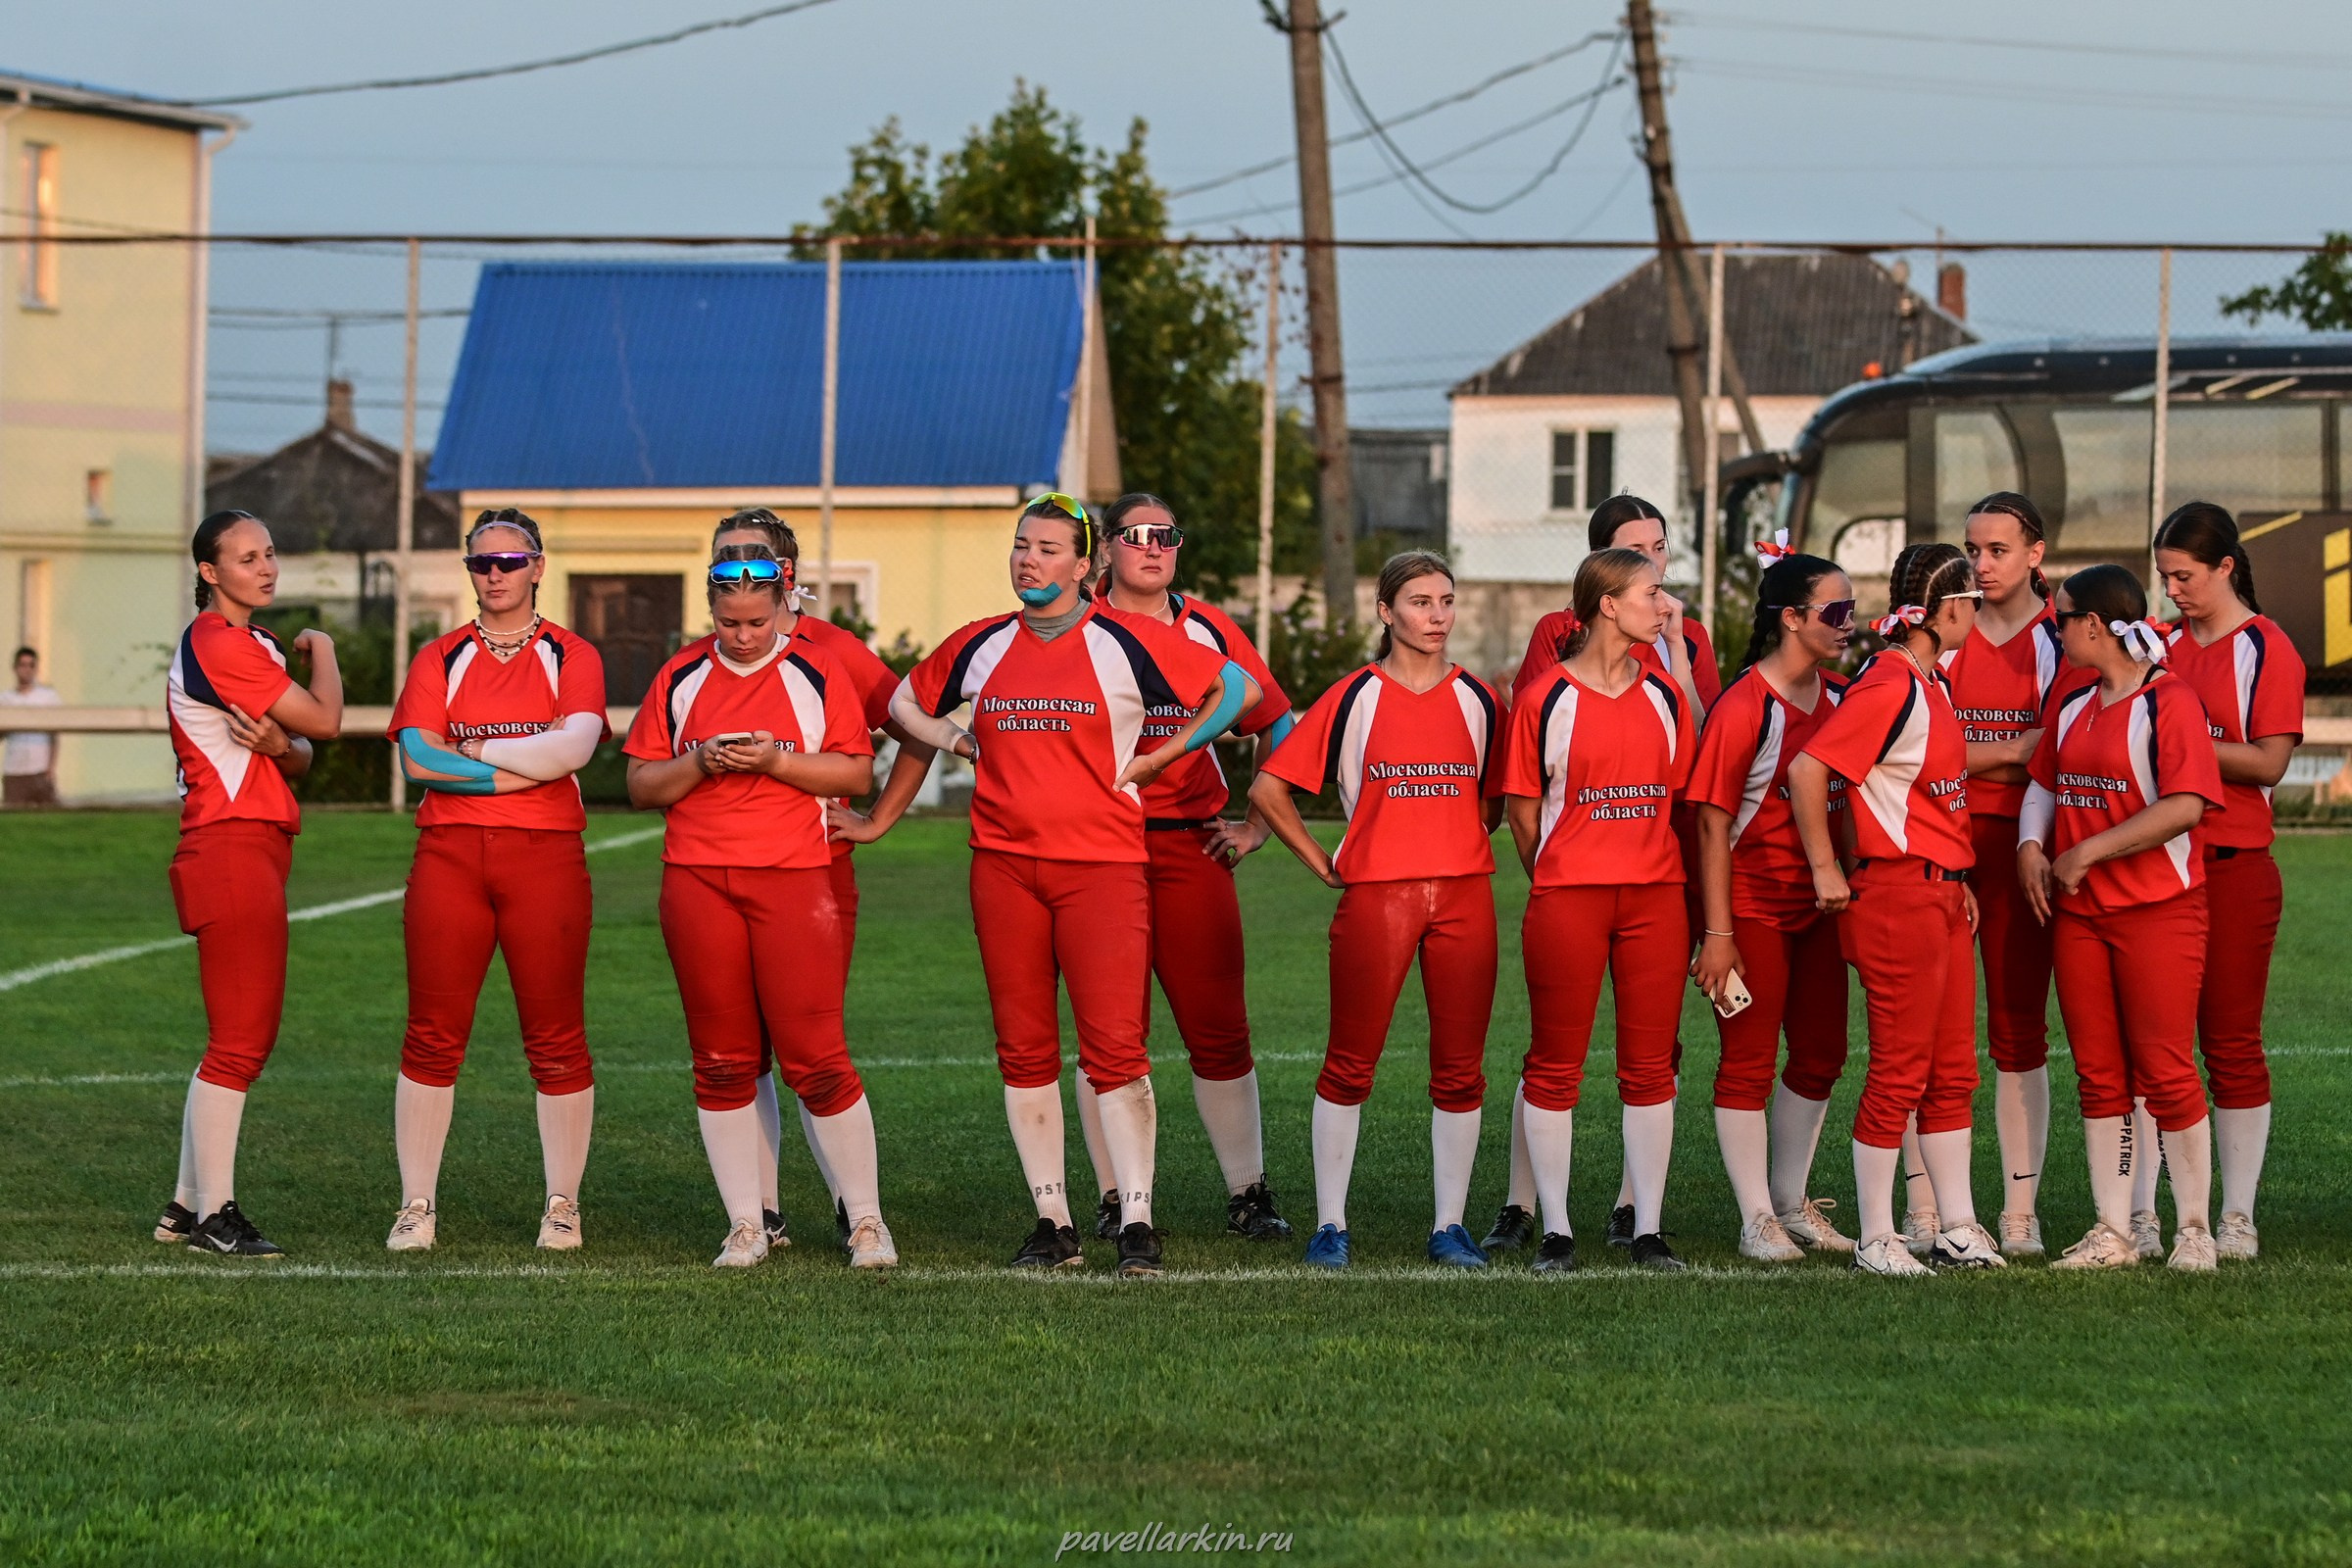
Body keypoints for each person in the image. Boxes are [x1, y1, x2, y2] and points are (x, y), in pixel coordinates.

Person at [837, 494, 1253, 1278]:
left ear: (1086, 564)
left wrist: (1163, 759)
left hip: (1102, 872)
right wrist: (957, 736)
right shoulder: (984, 643)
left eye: (1050, 548)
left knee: (1116, 1050)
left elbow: (1232, 692)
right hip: (1003, 869)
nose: (1030, 559)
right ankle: (1052, 1220)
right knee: (1024, 1050)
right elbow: (901, 702)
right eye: (1022, 545)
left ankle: (1136, 1221)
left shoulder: (1127, 640)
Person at [623, 554, 897, 1269]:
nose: (741, 636)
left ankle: (867, 1221)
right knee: (721, 1062)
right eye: (726, 622)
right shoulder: (680, 675)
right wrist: (703, 762)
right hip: (696, 882)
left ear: (782, 607)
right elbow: (643, 785)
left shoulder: (815, 671)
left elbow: (855, 770)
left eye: (755, 622)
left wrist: (776, 762)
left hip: (793, 879)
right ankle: (747, 1224)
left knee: (817, 1059)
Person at [1250, 551, 1504, 1271]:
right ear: (1385, 611)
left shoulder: (1480, 700)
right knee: (1349, 1065)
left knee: (1460, 1070)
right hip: (1377, 899)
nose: (1437, 616)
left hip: (1464, 896)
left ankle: (1448, 1226)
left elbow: (1496, 801)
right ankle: (1331, 1224)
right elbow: (1269, 790)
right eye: (1420, 602)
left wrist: (1451, 841)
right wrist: (1324, 862)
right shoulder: (1352, 697)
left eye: (1447, 601)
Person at [381, 508, 609, 1252]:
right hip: (448, 857)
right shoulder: (438, 656)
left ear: (538, 566)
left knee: (556, 1037)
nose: (496, 575)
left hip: (545, 859)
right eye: (483, 563)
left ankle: (562, 1205)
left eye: (511, 562)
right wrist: (516, 769)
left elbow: (573, 749)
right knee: (431, 1034)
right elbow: (420, 761)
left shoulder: (573, 654)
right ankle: (417, 1205)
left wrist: (472, 758)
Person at [1494, 492, 1715, 1250]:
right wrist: (1560, 873)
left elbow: (1687, 797)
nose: (1664, 598)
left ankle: (1645, 1227)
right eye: (1650, 591)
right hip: (1569, 901)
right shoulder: (1544, 698)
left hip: (1655, 901)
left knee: (1650, 1068)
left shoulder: (1663, 694)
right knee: (1554, 1065)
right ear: (1609, 607)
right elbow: (1524, 814)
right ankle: (1554, 1227)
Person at [710, 508, 934, 1253]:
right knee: (740, 1049)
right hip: (720, 875)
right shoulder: (699, 658)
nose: (740, 574)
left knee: (810, 1042)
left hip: (813, 873)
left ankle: (854, 1205)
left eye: (756, 561)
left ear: (789, 576)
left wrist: (875, 819)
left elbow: (916, 727)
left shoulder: (832, 651)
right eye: (725, 562)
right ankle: (761, 1212)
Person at [1788, 541, 2003, 1276]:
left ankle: (1956, 1227)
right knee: (1901, 1070)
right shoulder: (1891, 683)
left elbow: (1918, 794)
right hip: (1898, 898)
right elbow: (1809, 768)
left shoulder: (1927, 679)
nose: (1977, 614)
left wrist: (1957, 874)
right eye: (1971, 602)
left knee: (1951, 1072)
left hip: (1938, 892)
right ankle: (1879, 1237)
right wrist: (1828, 867)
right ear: (1947, 610)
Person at [1089, 492, 1295, 1243]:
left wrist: (1258, 822)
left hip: (1188, 841)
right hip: (1097, 847)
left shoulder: (1207, 624)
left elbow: (1277, 718)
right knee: (1111, 1032)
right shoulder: (1076, 625)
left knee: (1218, 1027)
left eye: (1165, 535)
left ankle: (1248, 1191)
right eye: (1135, 535)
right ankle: (1117, 1197)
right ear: (1105, 546)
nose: (1152, 547)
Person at [2017, 565, 2225, 1271]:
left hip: (2158, 911)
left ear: (2096, 625)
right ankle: (2115, 1229)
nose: (2054, 630)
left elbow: (2186, 805)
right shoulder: (2075, 697)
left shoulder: (2169, 701)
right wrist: (2030, 845)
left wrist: (2088, 853)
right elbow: (2046, 780)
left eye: (2061, 619)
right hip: (2082, 915)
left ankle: (2194, 1226)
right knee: (2100, 1075)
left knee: (2165, 1069)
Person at [152, 511, 343, 1256]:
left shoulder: (248, 643)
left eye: (270, 552)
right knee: (241, 1040)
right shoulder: (218, 641)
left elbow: (295, 756)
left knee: (232, 1039)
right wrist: (323, 647)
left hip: (248, 845)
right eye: (246, 558)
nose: (265, 568)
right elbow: (324, 723)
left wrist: (280, 743)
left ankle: (184, 1206)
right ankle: (215, 1218)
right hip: (228, 848)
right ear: (210, 573)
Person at [1685, 539, 1856, 1261]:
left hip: (1822, 912)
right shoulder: (1746, 705)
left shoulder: (1846, 697)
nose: (1849, 622)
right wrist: (1717, 935)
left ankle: (1790, 1200)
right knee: (1749, 1062)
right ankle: (1756, 1217)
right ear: (1791, 618)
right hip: (1752, 906)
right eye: (1836, 610)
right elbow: (1711, 824)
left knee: (1821, 1053)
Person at [2153, 501, 2303, 1261]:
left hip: (2236, 868)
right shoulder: (2161, 646)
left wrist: (2176, 746)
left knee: (2231, 1044)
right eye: (2164, 577)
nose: (2173, 590)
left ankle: (2236, 1215)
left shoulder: (2266, 647)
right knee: (2157, 1043)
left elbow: (2270, 762)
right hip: (2160, 869)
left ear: (2225, 567)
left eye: (2185, 576)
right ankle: (2148, 1215)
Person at [1934, 492, 2069, 1259]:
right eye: (1972, 550)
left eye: (1997, 551)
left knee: (2019, 1030)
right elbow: (1925, 749)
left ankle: (2020, 1211)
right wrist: (2007, 750)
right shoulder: (1946, 632)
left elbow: (2050, 754)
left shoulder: (2057, 639)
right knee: (1927, 1028)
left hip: (2022, 847)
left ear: (2035, 555)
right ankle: (1925, 1208)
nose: (1981, 565)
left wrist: (2028, 823)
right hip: (1943, 845)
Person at [1512, 494, 1718, 714]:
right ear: (1599, 559)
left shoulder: (1687, 635)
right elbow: (1530, 718)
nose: (1652, 562)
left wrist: (1676, 645)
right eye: (1635, 552)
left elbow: (1703, 734)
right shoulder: (1559, 630)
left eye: (1659, 548)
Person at [1, 647, 62, 807]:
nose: (26, 670)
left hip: (40, 769)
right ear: (15, 668)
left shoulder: (48, 697)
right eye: (22, 665)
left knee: (49, 818)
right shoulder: (5, 699)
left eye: (31, 665)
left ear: (36, 668)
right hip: (14, 770)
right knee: (14, 821)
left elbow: (54, 735)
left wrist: (51, 768)